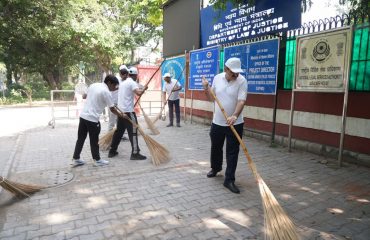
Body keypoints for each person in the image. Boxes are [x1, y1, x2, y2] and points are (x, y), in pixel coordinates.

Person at [202, 57, 247, 194]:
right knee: (216, 147)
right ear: (226, 69)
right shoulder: (217, 78)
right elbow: (211, 98)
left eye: (237, 72)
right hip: (218, 122)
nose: (236, 75)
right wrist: (206, 88)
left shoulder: (242, 81)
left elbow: (241, 101)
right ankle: (215, 168)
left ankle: (229, 180)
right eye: (233, 72)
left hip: (235, 123)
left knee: (232, 152)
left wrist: (235, 115)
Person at [72, 75, 124, 167]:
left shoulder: (93, 85)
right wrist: (122, 116)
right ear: (109, 83)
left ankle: (76, 158)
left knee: (80, 139)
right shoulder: (106, 92)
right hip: (92, 119)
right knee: (94, 141)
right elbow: (112, 109)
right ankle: (97, 160)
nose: (115, 88)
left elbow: (85, 96)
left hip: (83, 117)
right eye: (114, 86)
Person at [108, 66, 148, 160]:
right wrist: (144, 89)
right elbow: (138, 93)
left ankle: (112, 151)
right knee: (133, 132)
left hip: (121, 112)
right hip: (129, 112)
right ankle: (135, 153)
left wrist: (142, 90)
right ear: (135, 75)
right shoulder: (131, 82)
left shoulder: (123, 83)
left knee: (119, 132)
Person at [108, 65, 129, 131]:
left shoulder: (127, 81)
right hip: (112, 102)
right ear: (120, 73)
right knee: (112, 120)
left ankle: (120, 135)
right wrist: (119, 87)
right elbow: (110, 89)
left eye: (125, 73)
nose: (124, 75)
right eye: (122, 72)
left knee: (120, 120)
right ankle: (109, 135)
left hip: (120, 103)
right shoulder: (115, 79)